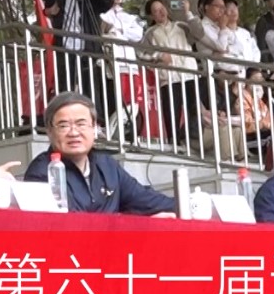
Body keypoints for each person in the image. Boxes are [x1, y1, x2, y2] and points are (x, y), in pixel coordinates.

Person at [22, 92, 175, 216]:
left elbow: (148, 201)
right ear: (49, 131)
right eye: (63, 126)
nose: (74, 132)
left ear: (94, 128)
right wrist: (127, 220)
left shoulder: (107, 166)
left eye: (81, 124)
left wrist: (184, 205)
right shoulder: (41, 172)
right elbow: (70, 224)